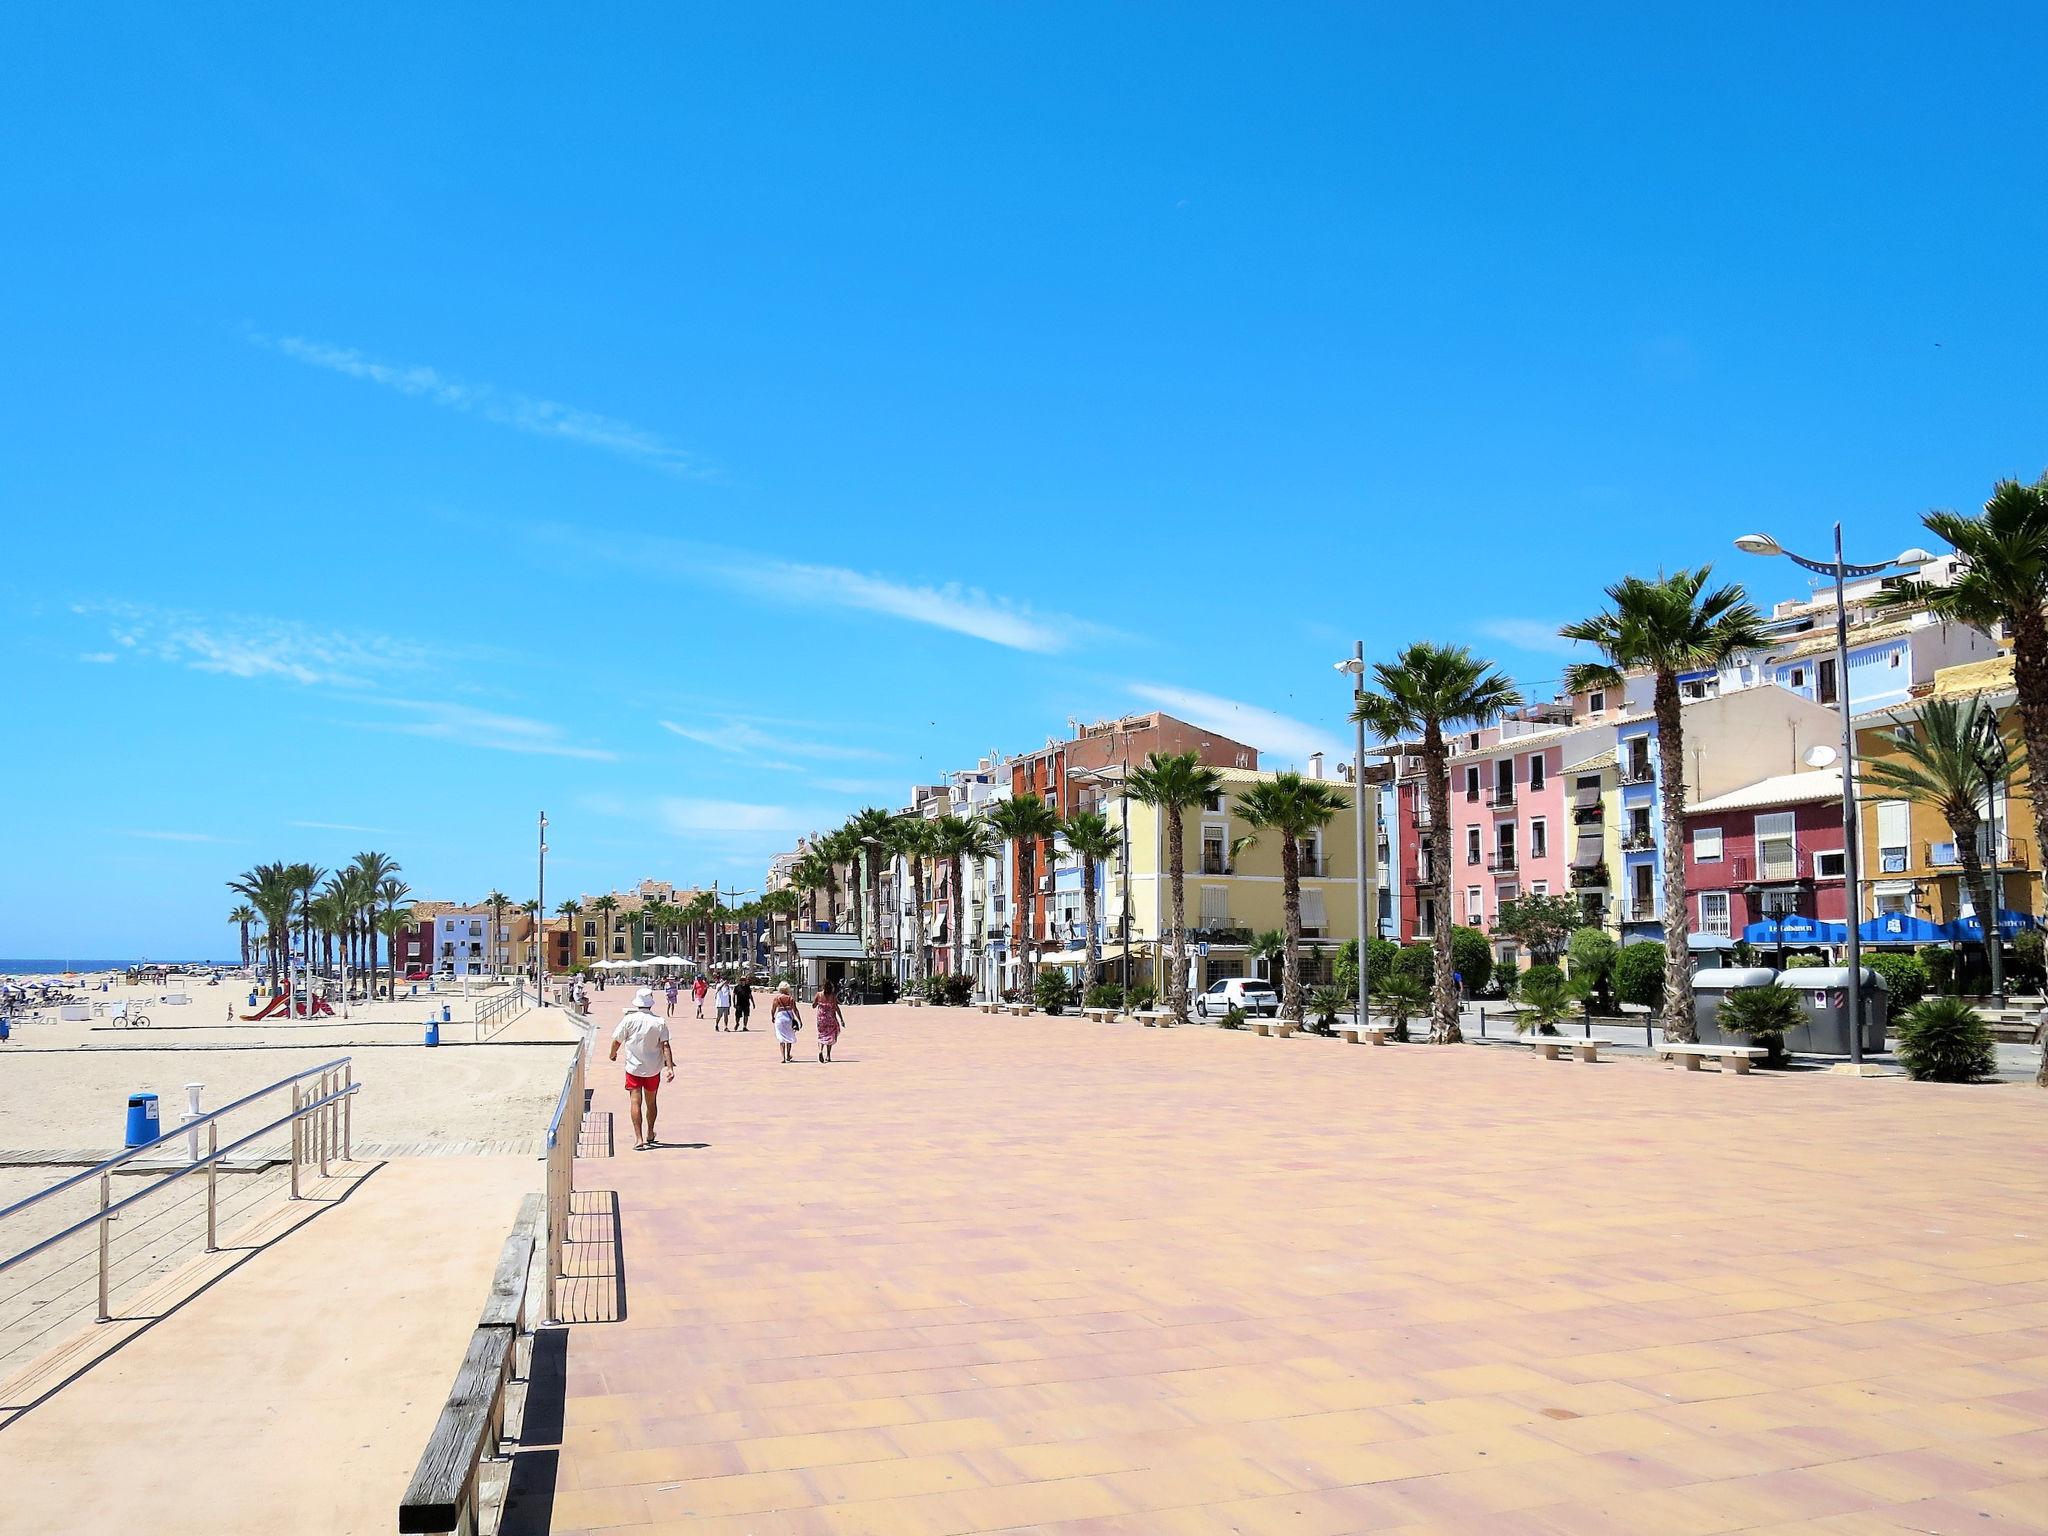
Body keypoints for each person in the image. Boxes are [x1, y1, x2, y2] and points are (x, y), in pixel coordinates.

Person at [608, 987, 674, 1151]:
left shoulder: (629, 1020)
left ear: (637, 1003)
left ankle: (639, 1139)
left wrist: (612, 1054)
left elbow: (617, 1041)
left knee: (635, 1102)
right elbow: (665, 1045)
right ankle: (650, 1133)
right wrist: (670, 1067)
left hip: (634, 1068)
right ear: (651, 1004)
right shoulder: (659, 1021)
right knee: (651, 1103)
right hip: (653, 1069)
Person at [813, 978, 846, 1063]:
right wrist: (841, 1019)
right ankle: (828, 1055)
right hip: (831, 1019)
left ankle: (820, 1050)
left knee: (821, 1035)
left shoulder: (818, 995)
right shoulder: (832, 996)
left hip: (821, 1019)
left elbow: (813, 1006)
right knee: (830, 1036)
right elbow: (837, 1008)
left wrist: (818, 1003)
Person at [770, 983, 804, 1063]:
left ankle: (783, 1057)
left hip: (780, 1017)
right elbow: (795, 1010)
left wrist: (772, 1017)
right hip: (789, 1018)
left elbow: (773, 1009)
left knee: (781, 1038)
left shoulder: (776, 998)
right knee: (789, 1036)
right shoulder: (790, 999)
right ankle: (788, 1055)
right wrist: (800, 1020)